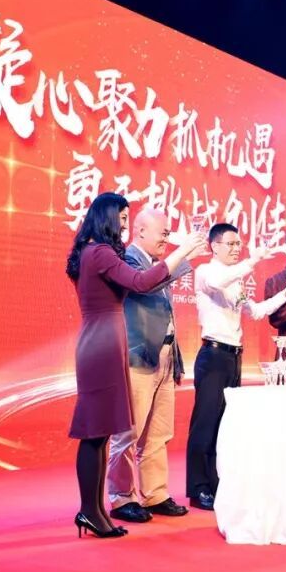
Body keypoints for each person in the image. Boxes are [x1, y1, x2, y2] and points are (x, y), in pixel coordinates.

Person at [66, 193, 206, 538]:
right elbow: (141, 282)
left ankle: (95, 511)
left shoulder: (94, 252)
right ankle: (92, 510)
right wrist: (183, 251)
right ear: (107, 217)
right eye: (123, 218)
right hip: (102, 345)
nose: (125, 225)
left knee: (100, 434)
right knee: (96, 434)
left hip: (104, 342)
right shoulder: (100, 252)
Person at [187, 223, 286, 510]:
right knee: (205, 423)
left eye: (238, 244)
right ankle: (198, 488)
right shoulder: (206, 272)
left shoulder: (236, 281)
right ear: (214, 246)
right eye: (230, 243)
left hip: (233, 357)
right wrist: (252, 261)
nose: (236, 248)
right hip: (213, 355)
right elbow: (218, 282)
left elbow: (257, 311)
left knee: (223, 424)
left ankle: (215, 483)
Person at [106, 208, 193, 524]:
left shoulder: (157, 264)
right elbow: (144, 286)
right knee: (128, 433)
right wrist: (183, 254)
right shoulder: (127, 260)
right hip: (139, 356)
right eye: (163, 233)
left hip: (165, 356)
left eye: (168, 233)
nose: (167, 238)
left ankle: (155, 494)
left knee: (158, 432)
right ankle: (121, 497)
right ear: (140, 230)